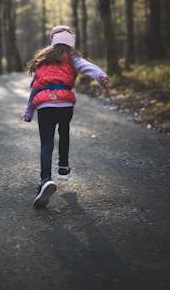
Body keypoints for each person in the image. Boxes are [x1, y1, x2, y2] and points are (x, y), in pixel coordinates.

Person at [21, 25, 109, 208]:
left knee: (46, 143)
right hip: (65, 103)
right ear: (71, 43)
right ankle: (63, 167)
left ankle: (45, 179)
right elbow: (87, 67)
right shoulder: (72, 57)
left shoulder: (43, 59)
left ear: (53, 42)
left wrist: (29, 111)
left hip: (44, 104)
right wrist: (100, 76)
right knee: (64, 131)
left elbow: (34, 87)